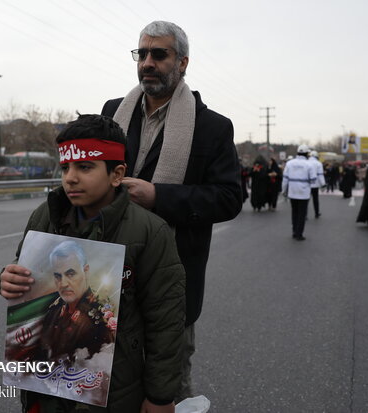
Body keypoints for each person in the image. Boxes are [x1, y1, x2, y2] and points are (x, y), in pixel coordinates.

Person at [0, 114, 186, 413]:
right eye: (65, 167)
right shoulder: (44, 216)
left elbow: (165, 322)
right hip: (44, 391)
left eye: (85, 167)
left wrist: (160, 396)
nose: (70, 177)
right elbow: (21, 271)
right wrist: (7, 279)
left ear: (116, 174)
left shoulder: (149, 232)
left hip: (113, 394)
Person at [100, 21, 242, 402]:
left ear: (183, 63)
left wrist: (159, 197)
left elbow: (229, 197)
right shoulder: (113, 113)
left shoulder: (212, 127)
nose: (147, 62)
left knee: (167, 390)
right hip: (106, 276)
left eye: (158, 54)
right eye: (141, 54)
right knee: (109, 384)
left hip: (171, 280)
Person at [282, 144, 316, 240]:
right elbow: (313, 179)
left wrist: (284, 190)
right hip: (304, 193)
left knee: (294, 212)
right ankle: (299, 233)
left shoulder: (290, 163)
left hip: (292, 192)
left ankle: (294, 231)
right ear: (307, 153)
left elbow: (285, 179)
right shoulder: (309, 164)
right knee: (302, 214)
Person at [307, 150, 326, 217]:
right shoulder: (318, 163)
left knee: (306, 200)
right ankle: (316, 213)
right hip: (315, 185)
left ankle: (305, 215)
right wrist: (323, 184)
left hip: (307, 184)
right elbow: (320, 175)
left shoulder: (306, 162)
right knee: (315, 199)